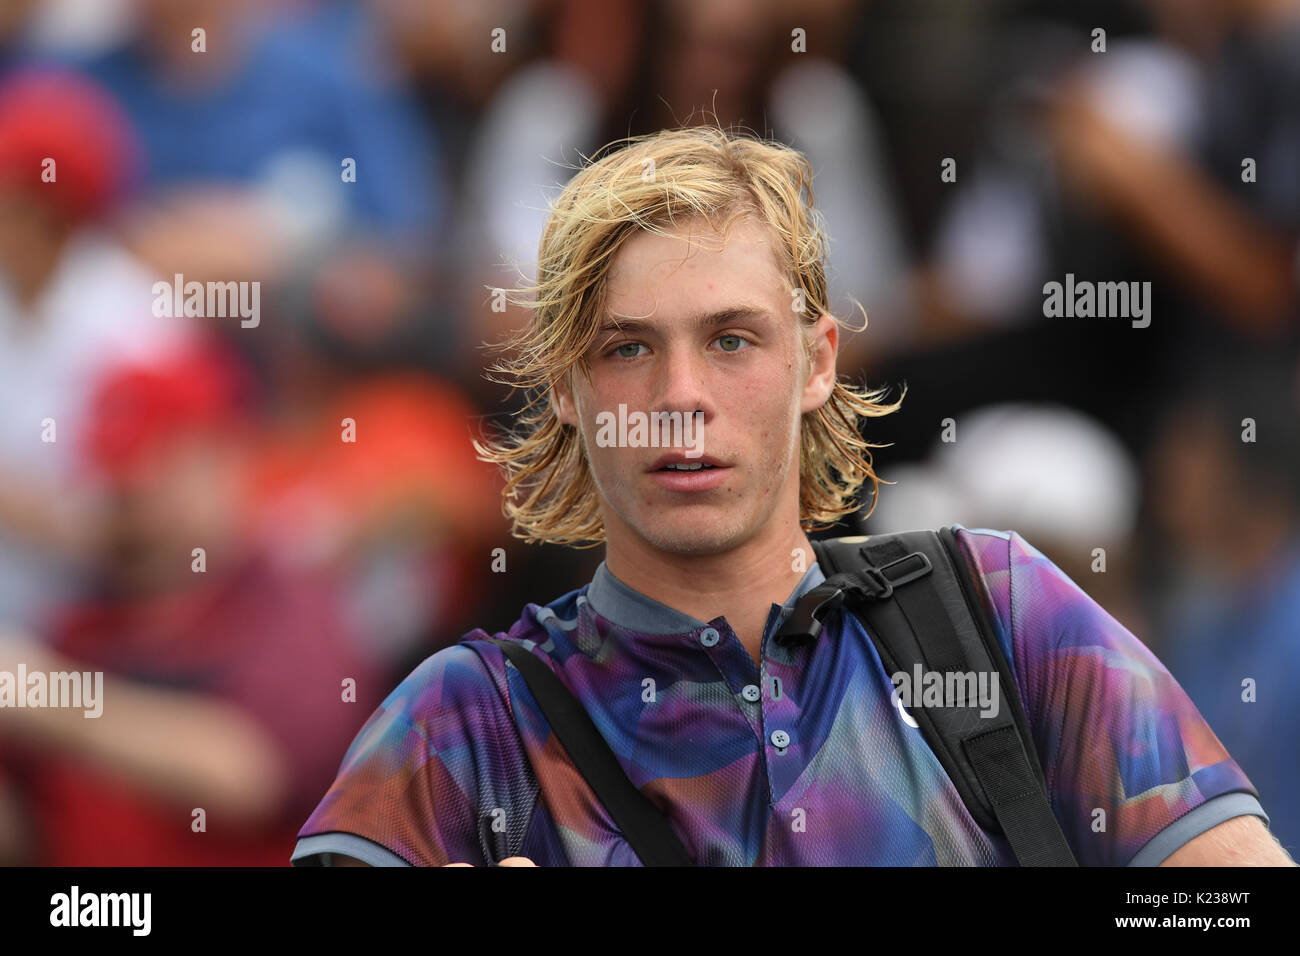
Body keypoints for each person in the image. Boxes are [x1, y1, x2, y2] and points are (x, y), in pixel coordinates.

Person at [291, 126, 1294, 867]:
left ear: (815, 361)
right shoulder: (465, 721)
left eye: (731, 339)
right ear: (563, 388)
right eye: (627, 347)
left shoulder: (994, 609)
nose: (680, 395)